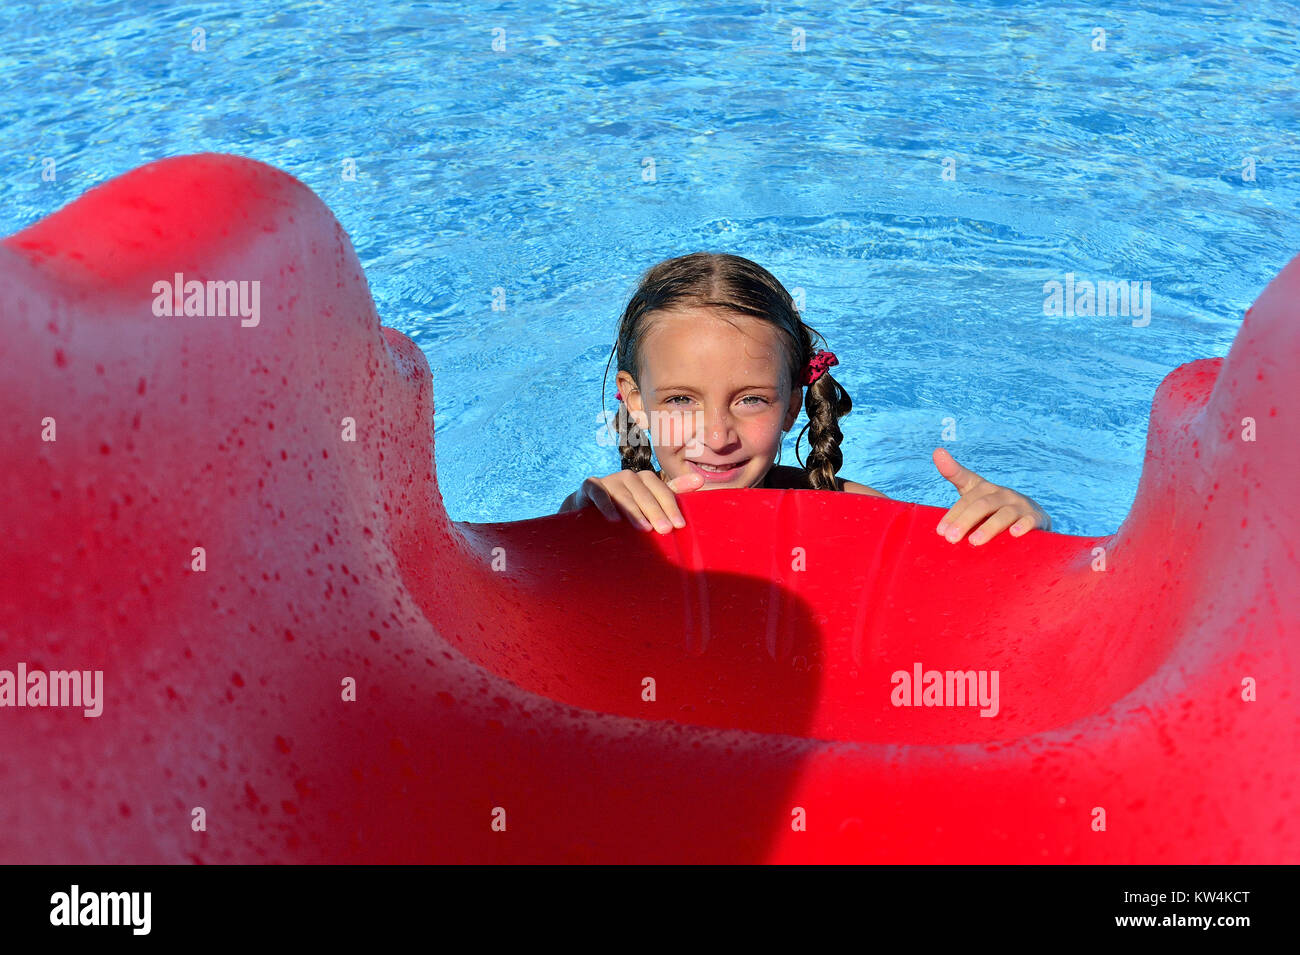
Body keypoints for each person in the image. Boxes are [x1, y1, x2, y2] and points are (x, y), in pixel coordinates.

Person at [558, 252, 1051, 545]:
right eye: (682, 399)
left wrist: (1020, 528)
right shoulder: (608, 516)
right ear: (635, 401)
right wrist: (578, 518)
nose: (716, 437)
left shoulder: (856, 517)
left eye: (751, 400)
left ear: (793, 403)